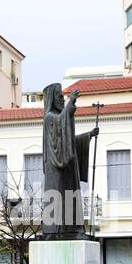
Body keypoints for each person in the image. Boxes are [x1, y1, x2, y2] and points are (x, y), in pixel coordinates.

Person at [42, 83, 99, 239]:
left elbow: (67, 142)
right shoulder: (49, 118)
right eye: (59, 97)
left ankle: (74, 229)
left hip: (68, 169)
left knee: (71, 197)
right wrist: (71, 103)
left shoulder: (58, 117)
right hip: (56, 170)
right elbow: (60, 123)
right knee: (60, 198)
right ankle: (56, 231)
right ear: (52, 99)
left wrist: (87, 136)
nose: (62, 100)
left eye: (63, 97)